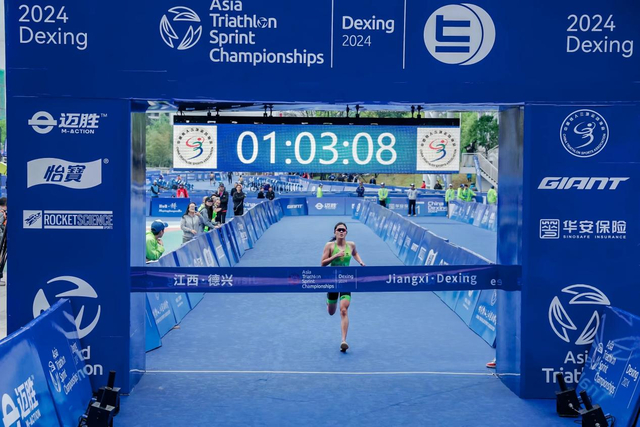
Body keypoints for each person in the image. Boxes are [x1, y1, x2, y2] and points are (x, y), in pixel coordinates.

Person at [321, 222, 365, 352]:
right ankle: (328, 301)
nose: (341, 232)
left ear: (346, 232)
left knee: (344, 310)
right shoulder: (329, 246)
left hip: (346, 280)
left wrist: (360, 261)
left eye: (343, 230)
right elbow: (322, 263)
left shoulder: (351, 245)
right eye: (339, 230)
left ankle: (343, 341)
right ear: (335, 232)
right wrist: (335, 256)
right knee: (331, 312)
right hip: (333, 281)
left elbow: (355, 253)